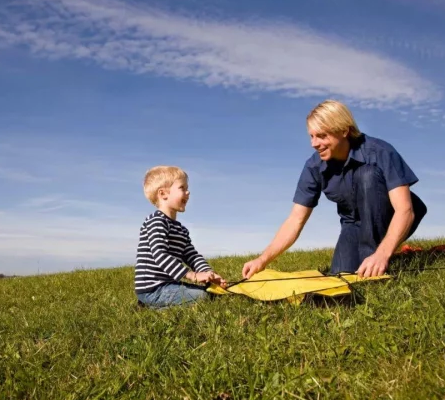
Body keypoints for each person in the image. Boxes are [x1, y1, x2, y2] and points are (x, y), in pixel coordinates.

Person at [242, 100, 427, 279]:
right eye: (311, 136)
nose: (314, 144)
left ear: (344, 130)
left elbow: (405, 210)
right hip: (353, 223)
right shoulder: (313, 167)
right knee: (340, 275)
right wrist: (262, 259)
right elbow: (295, 219)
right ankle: (368, 256)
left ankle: (374, 255)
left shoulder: (379, 151)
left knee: (367, 175)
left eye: (322, 136)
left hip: (392, 213)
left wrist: (382, 254)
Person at [135, 165, 226, 309]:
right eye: (182, 188)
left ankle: (152, 305)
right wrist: (192, 275)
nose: (188, 192)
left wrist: (209, 274)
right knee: (204, 297)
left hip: (170, 285)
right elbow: (160, 255)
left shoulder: (181, 229)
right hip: (153, 289)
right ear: (163, 194)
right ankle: (149, 306)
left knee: (209, 291)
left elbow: (191, 255)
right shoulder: (156, 221)